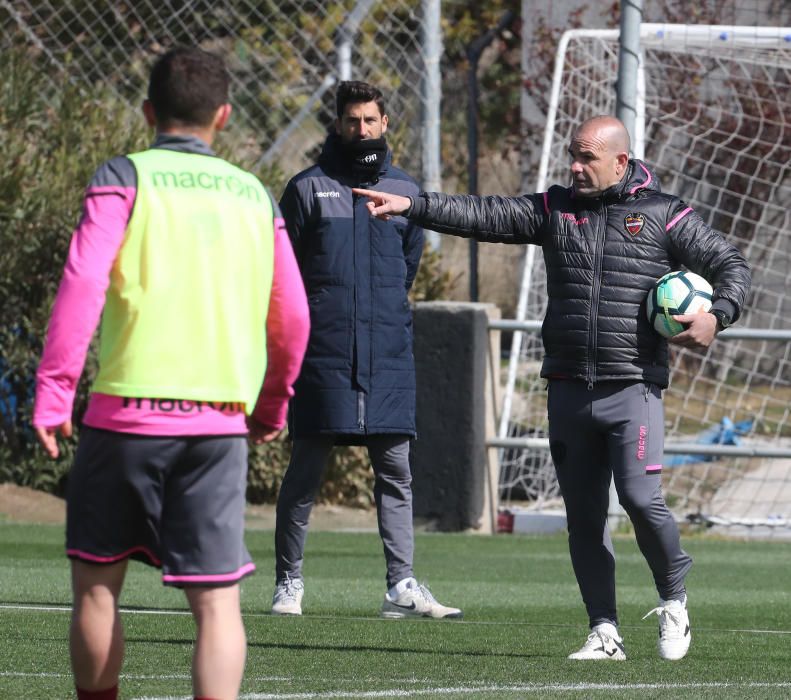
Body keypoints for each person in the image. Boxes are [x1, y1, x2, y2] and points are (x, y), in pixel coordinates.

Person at [354, 115, 751, 659]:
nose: (575, 166)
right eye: (572, 155)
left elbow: (730, 263)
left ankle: (675, 597)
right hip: (567, 388)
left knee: (639, 497)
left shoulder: (664, 214)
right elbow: (484, 214)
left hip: (633, 388)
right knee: (583, 519)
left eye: (587, 158)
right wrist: (413, 204)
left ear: (620, 161)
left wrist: (717, 315)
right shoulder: (554, 209)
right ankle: (604, 631)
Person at [33, 47, 310, 700]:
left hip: (124, 418)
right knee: (217, 605)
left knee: (98, 587)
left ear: (149, 112)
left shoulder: (124, 177)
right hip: (216, 424)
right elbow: (293, 316)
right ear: (223, 115)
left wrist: (54, 395)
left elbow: (81, 286)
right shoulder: (253, 195)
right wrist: (271, 406)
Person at [270, 80, 461, 620]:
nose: (362, 130)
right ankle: (289, 583)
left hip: (389, 354)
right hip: (322, 355)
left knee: (396, 472)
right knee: (305, 471)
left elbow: (407, 268)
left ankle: (401, 587)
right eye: (352, 121)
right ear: (337, 124)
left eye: (370, 121)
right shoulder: (307, 188)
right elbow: (283, 270)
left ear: (384, 125)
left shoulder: (404, 190)